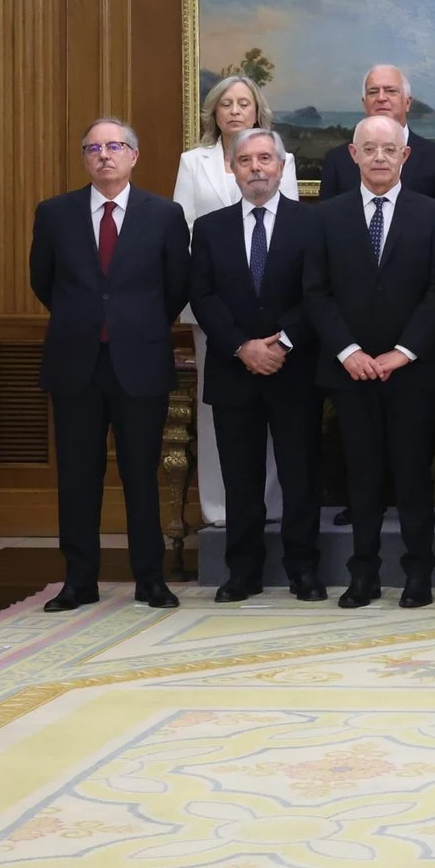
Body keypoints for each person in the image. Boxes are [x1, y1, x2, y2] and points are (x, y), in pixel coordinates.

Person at [31, 118, 190, 612]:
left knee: (142, 473)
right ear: (84, 158)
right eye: (94, 148)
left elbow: (176, 286)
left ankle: (150, 579)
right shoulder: (55, 213)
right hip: (76, 361)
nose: (104, 155)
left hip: (138, 361)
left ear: (133, 156)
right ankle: (79, 580)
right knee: (78, 475)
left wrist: (132, 324)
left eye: (114, 146)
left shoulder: (164, 214)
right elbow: (43, 281)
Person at [304, 114, 435, 609]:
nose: (378, 158)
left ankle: (418, 575)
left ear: (404, 156)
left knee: (413, 475)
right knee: (361, 477)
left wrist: (402, 352)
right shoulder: (327, 216)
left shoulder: (432, 213)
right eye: (368, 149)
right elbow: (317, 291)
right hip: (350, 372)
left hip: (412, 370)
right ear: (353, 155)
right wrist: (349, 352)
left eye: (389, 150)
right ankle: (362, 575)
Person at [187, 128, 322, 603]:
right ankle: (242, 572)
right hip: (233, 369)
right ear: (233, 168)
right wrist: (243, 346)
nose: (256, 168)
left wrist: (281, 342)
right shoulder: (209, 228)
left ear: (283, 168)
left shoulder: (312, 224)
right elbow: (201, 295)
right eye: (246, 160)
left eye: (266, 158)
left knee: (299, 475)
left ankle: (303, 568)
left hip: (296, 368)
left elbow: (317, 294)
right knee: (240, 477)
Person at [175, 74, 299, 529]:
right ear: (214, 111)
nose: (233, 110)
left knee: (277, 419)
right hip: (217, 314)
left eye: (243, 102)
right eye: (225, 103)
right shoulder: (194, 162)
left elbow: (290, 240)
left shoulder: (276, 153)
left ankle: (272, 504)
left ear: (256, 109)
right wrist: (234, 336)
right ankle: (220, 508)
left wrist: (280, 337)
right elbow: (183, 233)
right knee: (222, 417)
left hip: (275, 314)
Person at [316, 65, 435, 201]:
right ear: (364, 103)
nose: (381, 98)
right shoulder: (337, 159)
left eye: (391, 91)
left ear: (408, 102)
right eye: (373, 92)